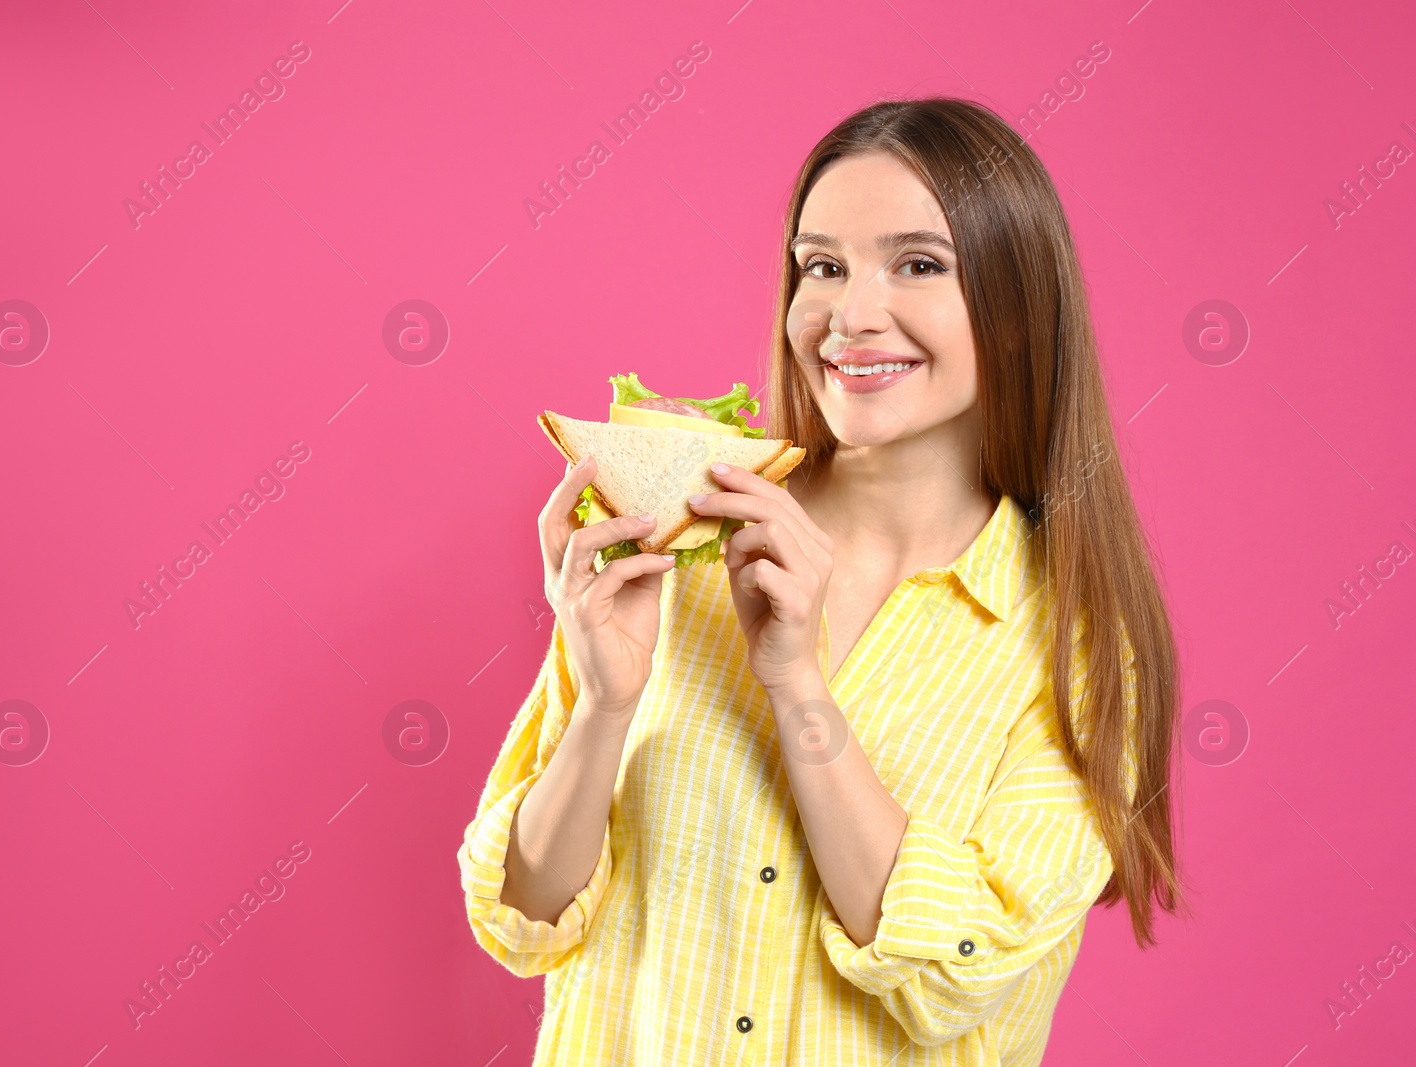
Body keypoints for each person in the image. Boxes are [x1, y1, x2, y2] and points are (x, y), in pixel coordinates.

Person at [457, 96, 1182, 1065]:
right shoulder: (681, 538)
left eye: (917, 264)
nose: (849, 315)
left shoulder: (1077, 645)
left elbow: (955, 974)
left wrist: (796, 682)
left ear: (1017, 309)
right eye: (822, 266)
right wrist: (603, 703)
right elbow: (523, 913)